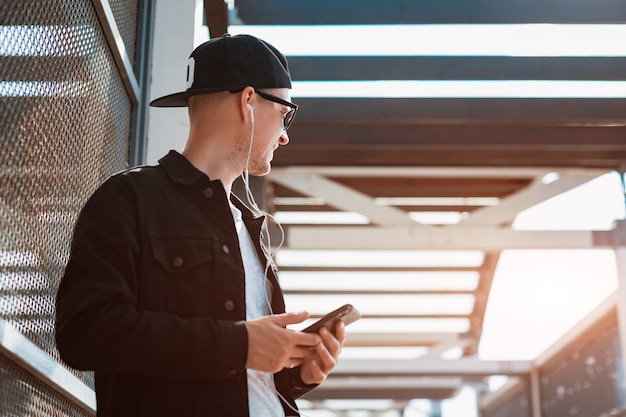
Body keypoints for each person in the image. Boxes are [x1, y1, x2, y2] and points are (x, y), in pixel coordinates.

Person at [55, 33, 345, 417]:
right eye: (285, 113)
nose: (286, 135)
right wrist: (238, 345)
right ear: (248, 102)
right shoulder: (128, 199)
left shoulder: (249, 225)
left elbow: (243, 376)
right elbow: (84, 332)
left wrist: (296, 372)